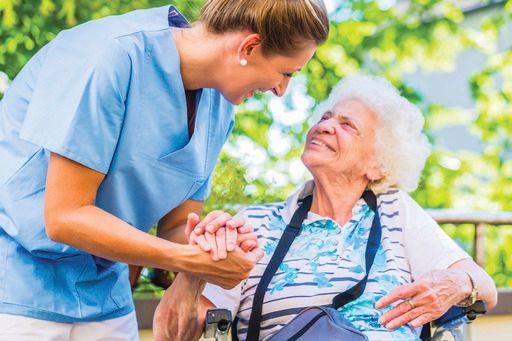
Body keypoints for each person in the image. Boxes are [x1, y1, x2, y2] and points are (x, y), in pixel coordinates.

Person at [0, 1, 330, 339]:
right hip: (17, 289)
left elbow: (174, 226)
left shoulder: (218, 106)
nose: (281, 90)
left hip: (104, 297)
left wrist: (215, 244)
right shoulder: (108, 55)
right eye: (287, 72)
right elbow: (65, 216)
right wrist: (187, 259)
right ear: (249, 46)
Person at [160, 74, 498, 340]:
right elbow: (175, 335)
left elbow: (484, 286)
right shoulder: (254, 224)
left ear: (378, 165)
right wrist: (193, 272)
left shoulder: (396, 212)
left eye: (347, 125)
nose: (324, 125)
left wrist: (455, 283)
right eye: (325, 116)